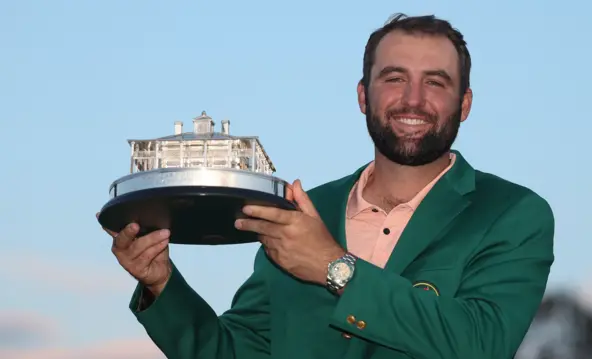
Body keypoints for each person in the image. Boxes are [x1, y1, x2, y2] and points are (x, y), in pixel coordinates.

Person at [100, 13, 555, 359]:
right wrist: (163, 285)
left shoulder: (511, 213)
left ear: (465, 103)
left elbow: (481, 342)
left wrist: (333, 266)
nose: (413, 99)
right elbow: (235, 349)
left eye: (435, 82)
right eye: (394, 78)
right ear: (363, 95)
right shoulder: (303, 211)